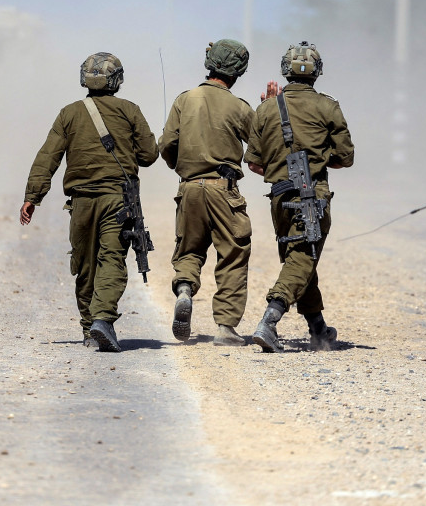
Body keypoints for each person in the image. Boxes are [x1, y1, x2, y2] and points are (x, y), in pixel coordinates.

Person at [19, 52, 159, 352]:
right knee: (111, 259)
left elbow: (48, 157)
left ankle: (89, 327)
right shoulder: (129, 110)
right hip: (118, 200)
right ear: (117, 80)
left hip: (81, 202)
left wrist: (33, 196)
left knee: (84, 266)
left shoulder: (68, 113)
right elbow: (149, 156)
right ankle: (102, 320)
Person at [245, 41, 355, 353]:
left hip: (279, 197)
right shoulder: (328, 106)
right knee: (303, 257)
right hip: (312, 194)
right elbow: (346, 157)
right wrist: (320, 160)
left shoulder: (267, 107)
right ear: (317, 73)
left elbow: (254, 163)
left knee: (298, 257)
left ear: (284, 70)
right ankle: (269, 320)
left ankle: (318, 328)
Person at [160, 39, 255, 347]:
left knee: (189, 249)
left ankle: (185, 290)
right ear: (238, 72)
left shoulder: (184, 99)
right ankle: (226, 328)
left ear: (209, 64)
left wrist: (183, 168)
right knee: (233, 253)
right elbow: (261, 149)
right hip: (224, 189)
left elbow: (166, 145)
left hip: (188, 189)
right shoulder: (240, 107)